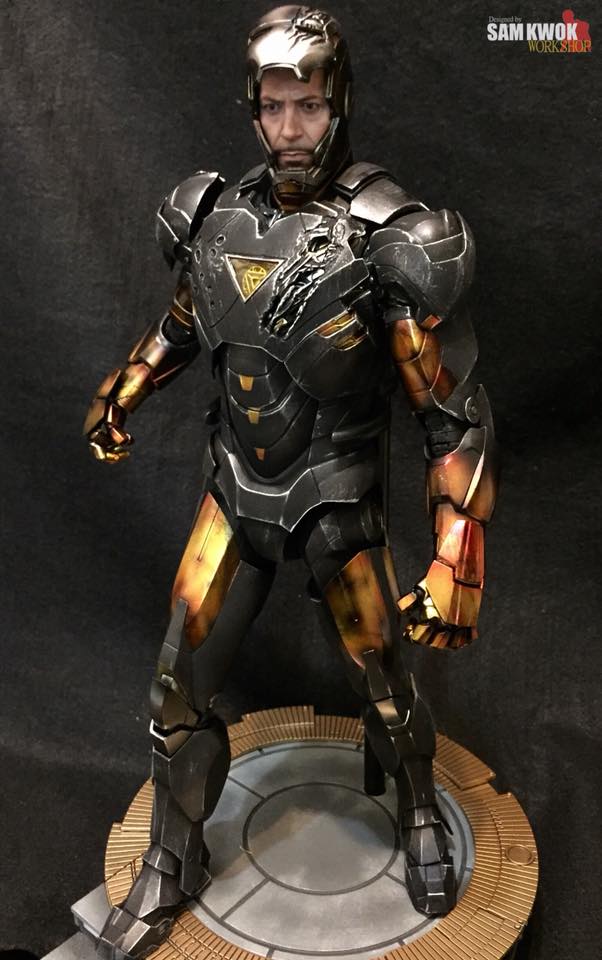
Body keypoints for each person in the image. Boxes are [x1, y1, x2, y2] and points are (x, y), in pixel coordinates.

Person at [85, 6, 498, 959]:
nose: (289, 129)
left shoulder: (386, 235)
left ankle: (418, 807)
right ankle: (173, 858)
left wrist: (456, 557)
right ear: (253, 107)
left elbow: (451, 412)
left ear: (338, 103)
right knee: (175, 683)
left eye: (307, 106)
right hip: (235, 487)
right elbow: (185, 321)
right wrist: (126, 389)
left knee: (384, 677)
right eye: (273, 107)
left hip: (335, 496)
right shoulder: (214, 215)